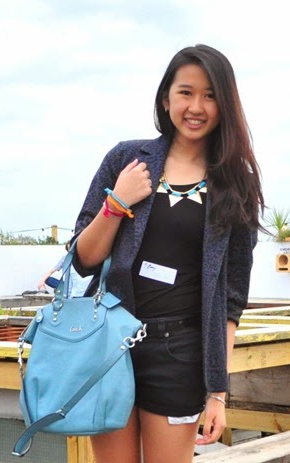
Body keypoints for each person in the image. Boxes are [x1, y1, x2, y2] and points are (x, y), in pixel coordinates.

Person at [70, 44, 264, 462]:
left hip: (180, 352)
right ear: (165, 99)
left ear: (225, 104)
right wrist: (117, 202)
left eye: (210, 95)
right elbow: (83, 259)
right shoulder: (127, 159)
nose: (196, 107)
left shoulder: (236, 184)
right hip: (109, 342)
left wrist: (218, 392)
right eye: (186, 92)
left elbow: (231, 300)